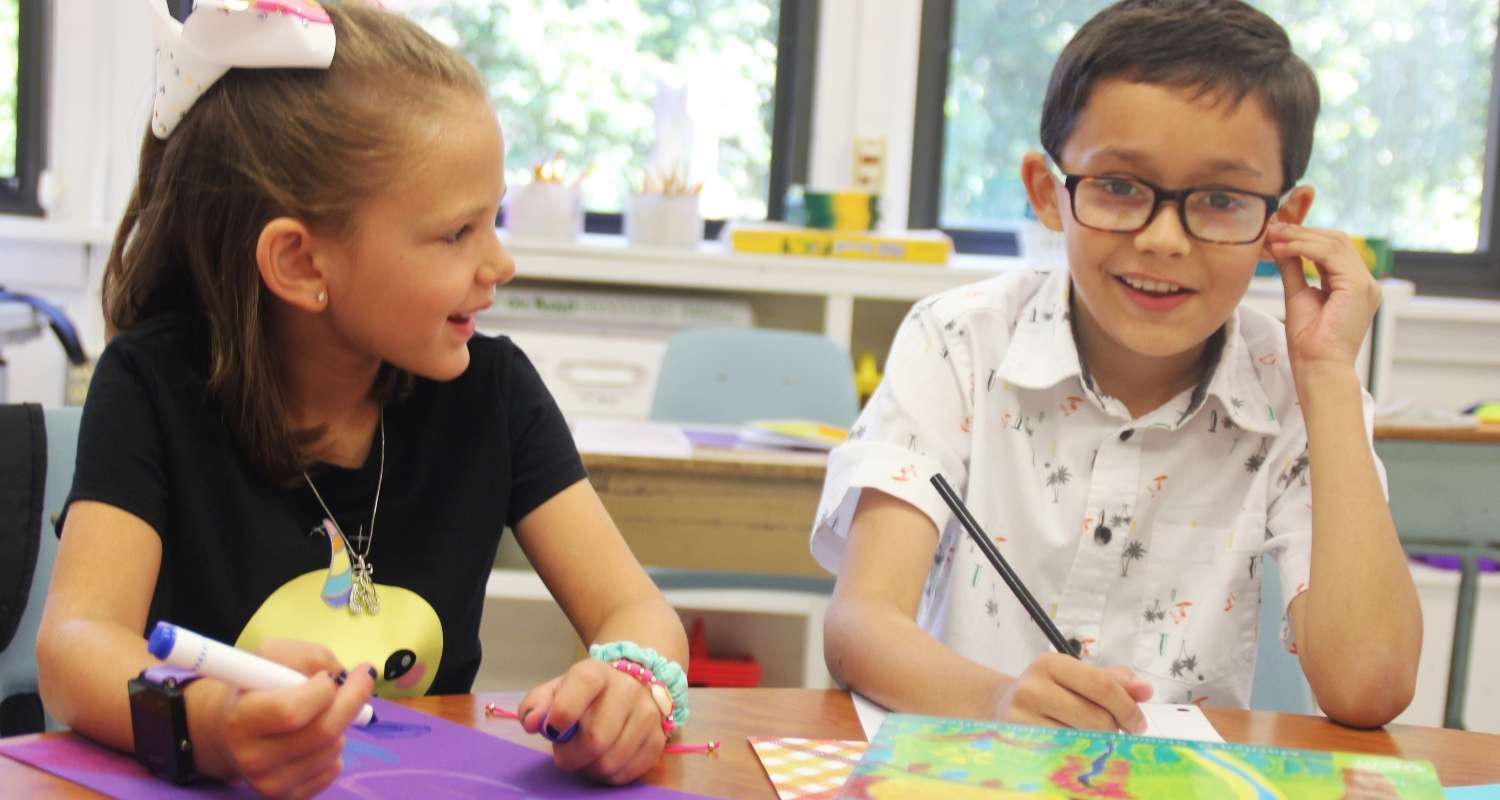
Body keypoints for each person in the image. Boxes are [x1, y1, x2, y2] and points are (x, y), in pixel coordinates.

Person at [36, 2, 687, 795]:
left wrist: (633, 685)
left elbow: (638, 611)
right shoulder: (151, 386)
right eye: (458, 233)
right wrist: (215, 725)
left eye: (496, 219)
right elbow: (75, 648)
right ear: (303, 264)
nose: (501, 262)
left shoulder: (496, 393)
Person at [814, 0, 1420, 734]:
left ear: (1280, 222)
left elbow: (1370, 683)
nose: (1164, 240)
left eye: (1222, 199)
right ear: (1047, 192)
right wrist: (998, 702)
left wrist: (1326, 376)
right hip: (970, 767)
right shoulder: (958, 342)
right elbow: (859, 626)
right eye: (1120, 187)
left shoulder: (1300, 389)